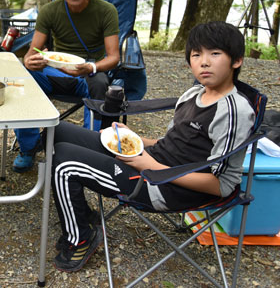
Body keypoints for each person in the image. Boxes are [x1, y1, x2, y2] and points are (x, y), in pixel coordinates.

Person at [50, 21, 255, 273]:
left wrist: (152, 167)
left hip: (163, 186)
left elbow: (222, 185)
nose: (204, 62)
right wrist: (135, 139)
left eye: (215, 54)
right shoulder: (194, 94)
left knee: (65, 162)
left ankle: (80, 238)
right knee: (57, 131)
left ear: (237, 61)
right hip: (151, 163)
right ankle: (84, 216)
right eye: (196, 54)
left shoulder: (233, 111)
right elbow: (172, 143)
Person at [13, 0, 120, 172]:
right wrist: (30, 61)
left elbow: (113, 57)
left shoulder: (106, 11)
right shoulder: (50, 11)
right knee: (24, 78)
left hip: (88, 73)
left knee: (100, 83)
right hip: (55, 72)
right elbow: (32, 52)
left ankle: (91, 151)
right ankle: (29, 146)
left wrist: (91, 67)